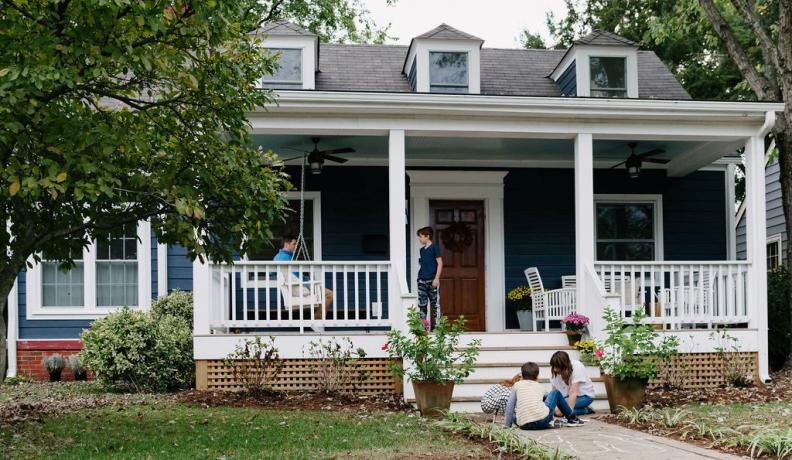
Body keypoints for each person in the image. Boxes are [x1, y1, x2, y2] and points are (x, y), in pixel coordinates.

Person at [503, 362, 586, 429]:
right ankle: (572, 419)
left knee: (515, 417)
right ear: (537, 376)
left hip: (524, 425)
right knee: (555, 393)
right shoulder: (540, 387)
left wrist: (507, 425)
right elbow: (549, 399)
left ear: (522, 375)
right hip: (542, 420)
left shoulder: (517, 385)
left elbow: (510, 407)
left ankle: (548, 423)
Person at [273, 235, 334, 321]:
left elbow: (272, 273)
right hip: (300, 286)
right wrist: (308, 281)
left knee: (324, 294)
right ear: (286, 244)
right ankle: (317, 318)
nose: (295, 247)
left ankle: (317, 317)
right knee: (329, 294)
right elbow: (296, 276)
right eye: (294, 244)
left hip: (298, 286)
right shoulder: (285, 258)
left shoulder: (277, 257)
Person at [549, 351, 596, 417]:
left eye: (557, 367)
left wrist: (568, 414)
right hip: (568, 397)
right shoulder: (554, 373)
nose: (555, 369)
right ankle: (584, 410)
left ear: (564, 365)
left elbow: (573, 392)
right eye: (553, 366)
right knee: (555, 409)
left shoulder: (577, 366)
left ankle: (585, 410)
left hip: (585, 396)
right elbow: (554, 392)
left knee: (558, 411)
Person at [416, 226, 443, 329]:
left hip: (432, 280)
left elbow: (440, 263)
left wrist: (436, 278)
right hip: (421, 280)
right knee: (422, 306)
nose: (419, 239)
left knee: (435, 305)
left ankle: (437, 328)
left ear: (427, 236)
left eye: (421, 236)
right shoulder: (421, 250)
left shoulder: (435, 248)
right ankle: (423, 329)